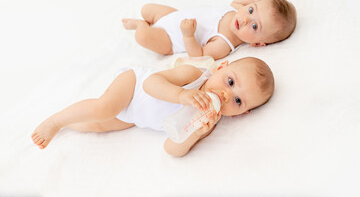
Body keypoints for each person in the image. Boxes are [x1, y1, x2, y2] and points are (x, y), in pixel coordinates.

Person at [31, 57, 275, 157]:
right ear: (220, 68)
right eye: (230, 82)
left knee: (98, 125)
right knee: (104, 107)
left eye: (237, 100)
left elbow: (172, 148)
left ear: (242, 113)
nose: (225, 94)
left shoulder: (208, 120)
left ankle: (71, 124)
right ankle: (56, 120)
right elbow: (151, 84)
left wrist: (196, 134)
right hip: (133, 86)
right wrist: (182, 95)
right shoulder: (194, 76)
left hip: (137, 117)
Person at [122, 0, 296, 60]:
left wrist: (188, 35)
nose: (245, 19)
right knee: (147, 8)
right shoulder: (236, 12)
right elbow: (236, 1)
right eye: (251, 10)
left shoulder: (224, 43)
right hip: (174, 16)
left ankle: (140, 25)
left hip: (171, 39)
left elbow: (198, 56)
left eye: (254, 26)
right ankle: (146, 20)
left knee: (143, 36)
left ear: (257, 43)